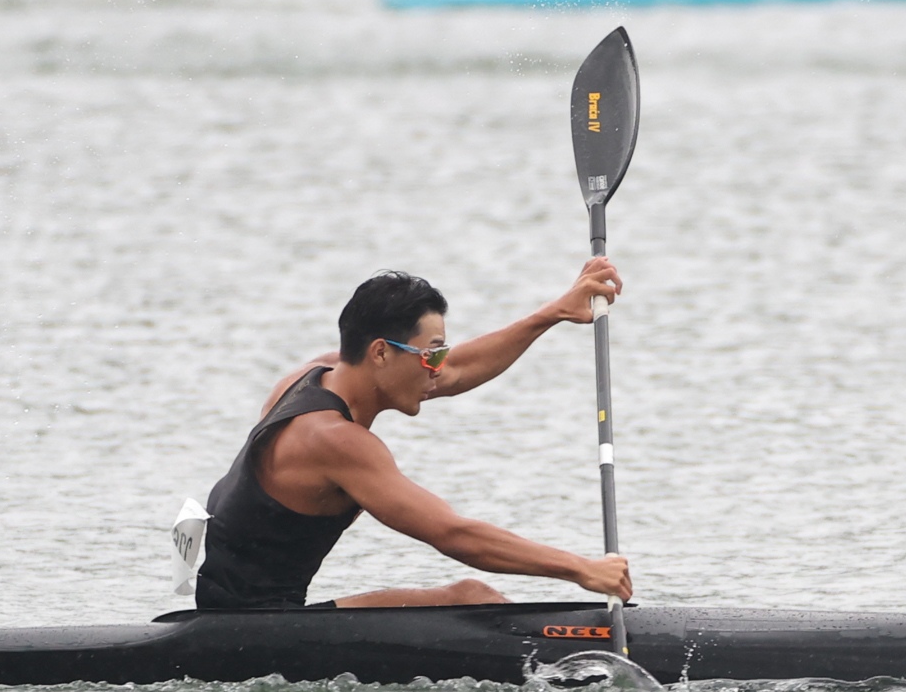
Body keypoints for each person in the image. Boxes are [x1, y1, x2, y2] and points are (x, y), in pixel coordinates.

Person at [193, 262, 634, 611]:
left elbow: (459, 369)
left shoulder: (316, 375)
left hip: (237, 612)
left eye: (438, 354)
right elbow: (453, 534)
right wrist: (582, 569)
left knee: (469, 596)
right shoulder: (333, 441)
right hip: (256, 628)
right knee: (471, 598)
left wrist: (553, 313)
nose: (437, 369)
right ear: (380, 352)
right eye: (430, 355)